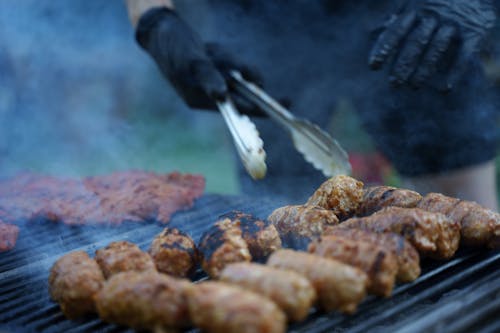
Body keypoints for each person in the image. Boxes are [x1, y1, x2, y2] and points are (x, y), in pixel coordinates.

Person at [125, 0, 499, 211]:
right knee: (281, 208)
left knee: (467, 211)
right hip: (265, 27)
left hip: (417, 19)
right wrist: (154, 19)